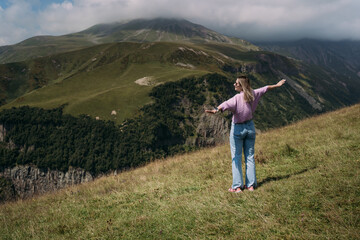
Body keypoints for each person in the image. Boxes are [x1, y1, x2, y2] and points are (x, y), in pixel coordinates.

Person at [205, 76, 286, 193]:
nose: (234, 84)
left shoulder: (236, 98)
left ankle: (237, 187)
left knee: (236, 157)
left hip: (238, 129)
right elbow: (266, 88)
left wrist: (215, 110)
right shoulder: (254, 93)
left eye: (236, 83)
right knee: (250, 157)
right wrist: (277, 85)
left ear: (241, 85)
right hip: (250, 128)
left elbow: (224, 105)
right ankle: (251, 185)